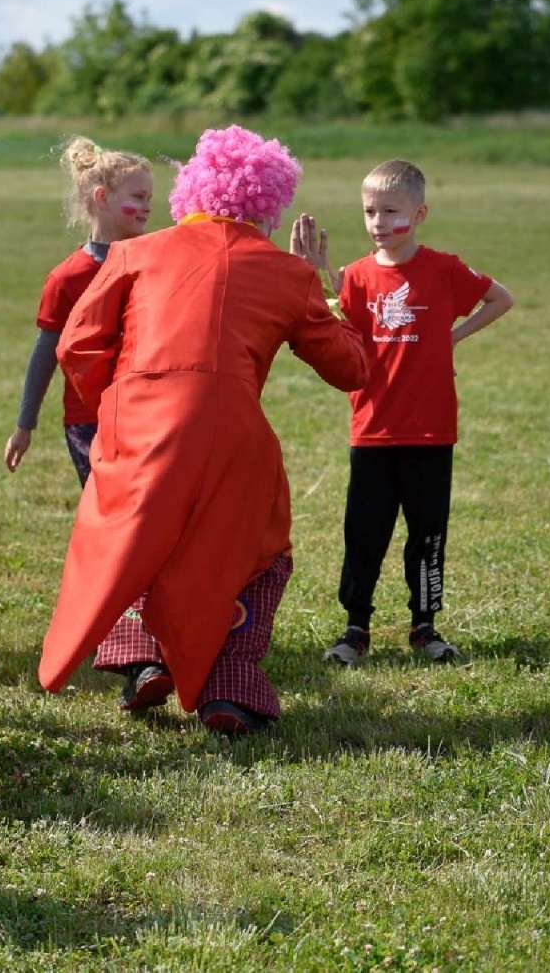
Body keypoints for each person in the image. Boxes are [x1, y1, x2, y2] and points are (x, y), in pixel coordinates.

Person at [37, 125, 370, 734]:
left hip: (138, 423)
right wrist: (322, 279)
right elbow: (353, 368)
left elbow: (78, 345)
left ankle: (142, 657)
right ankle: (228, 685)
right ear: (269, 207)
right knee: (254, 553)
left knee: (132, 536)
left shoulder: (134, 253)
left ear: (192, 191)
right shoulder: (288, 273)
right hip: (234, 435)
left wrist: (117, 409)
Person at [320, 159, 513, 666]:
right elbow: (329, 328)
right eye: (369, 212)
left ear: (419, 213)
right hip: (372, 431)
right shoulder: (356, 278)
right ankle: (355, 627)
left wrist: (451, 337)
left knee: (427, 535)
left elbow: (500, 298)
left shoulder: (444, 269)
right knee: (364, 533)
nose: (378, 222)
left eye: (390, 211)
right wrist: (318, 273)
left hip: (430, 433)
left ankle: (424, 625)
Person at [2, 138, 166, 711]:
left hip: (152, 418)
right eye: (137, 198)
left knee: (159, 529)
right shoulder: (69, 276)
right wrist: (25, 424)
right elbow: (44, 353)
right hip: (91, 427)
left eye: (152, 198)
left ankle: (164, 639)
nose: (149, 207)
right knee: (121, 534)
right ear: (100, 197)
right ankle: (135, 660)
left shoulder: (157, 258)